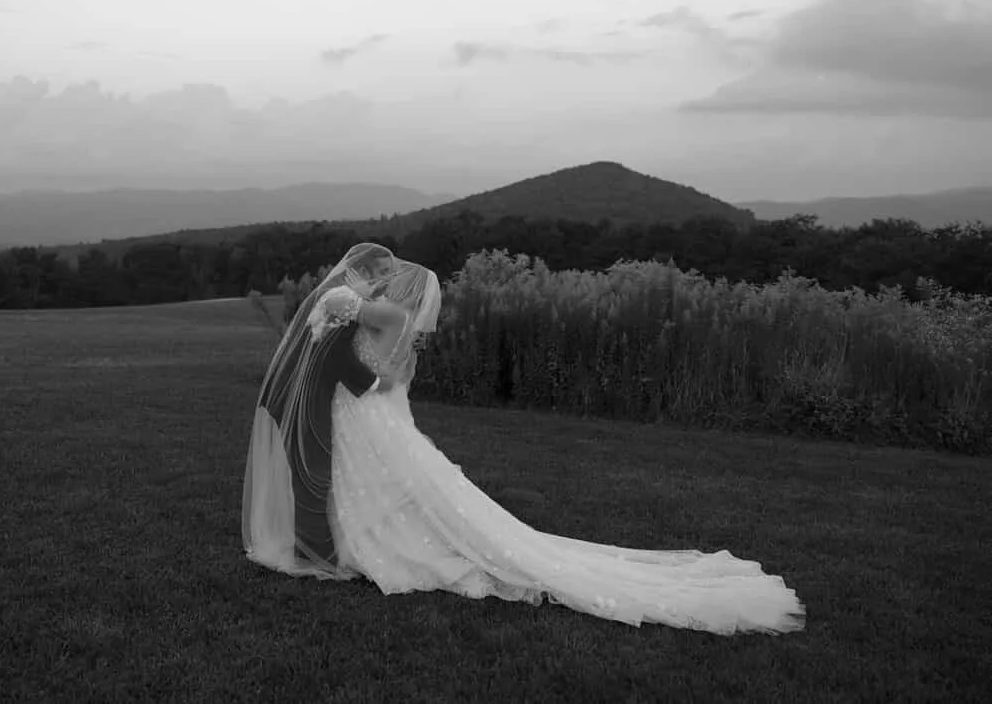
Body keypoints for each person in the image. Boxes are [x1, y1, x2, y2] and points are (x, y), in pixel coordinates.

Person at [310, 261, 807, 635]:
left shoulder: (385, 313)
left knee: (380, 480)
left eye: (391, 278)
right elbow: (395, 376)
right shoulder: (404, 328)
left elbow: (342, 308)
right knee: (389, 482)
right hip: (378, 411)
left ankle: (377, 546)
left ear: (403, 291)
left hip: (369, 412)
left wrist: (337, 300)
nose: (383, 281)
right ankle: (374, 540)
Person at [243, 243, 398, 579]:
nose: (390, 278)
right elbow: (335, 356)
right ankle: (318, 556)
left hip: (302, 390)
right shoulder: (345, 298)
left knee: (308, 470)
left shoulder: (343, 295)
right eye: (383, 271)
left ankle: (309, 548)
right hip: (306, 394)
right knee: (313, 472)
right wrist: (374, 383)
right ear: (363, 271)